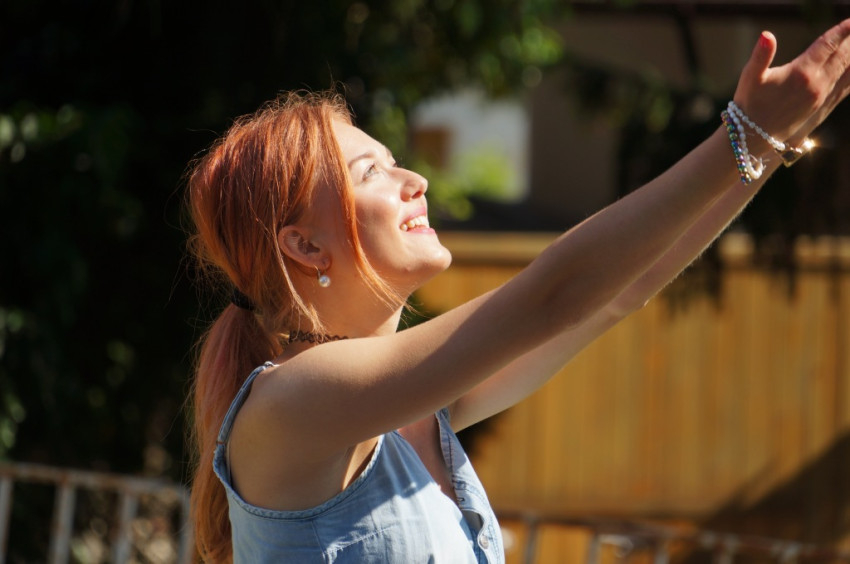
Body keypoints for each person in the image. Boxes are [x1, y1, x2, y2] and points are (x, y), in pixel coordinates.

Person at [185, 19, 850, 563]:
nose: (414, 180)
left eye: (396, 161)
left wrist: (772, 141)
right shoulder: (290, 403)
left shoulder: (418, 413)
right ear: (304, 246)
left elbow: (617, 292)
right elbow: (555, 295)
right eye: (370, 173)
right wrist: (742, 134)